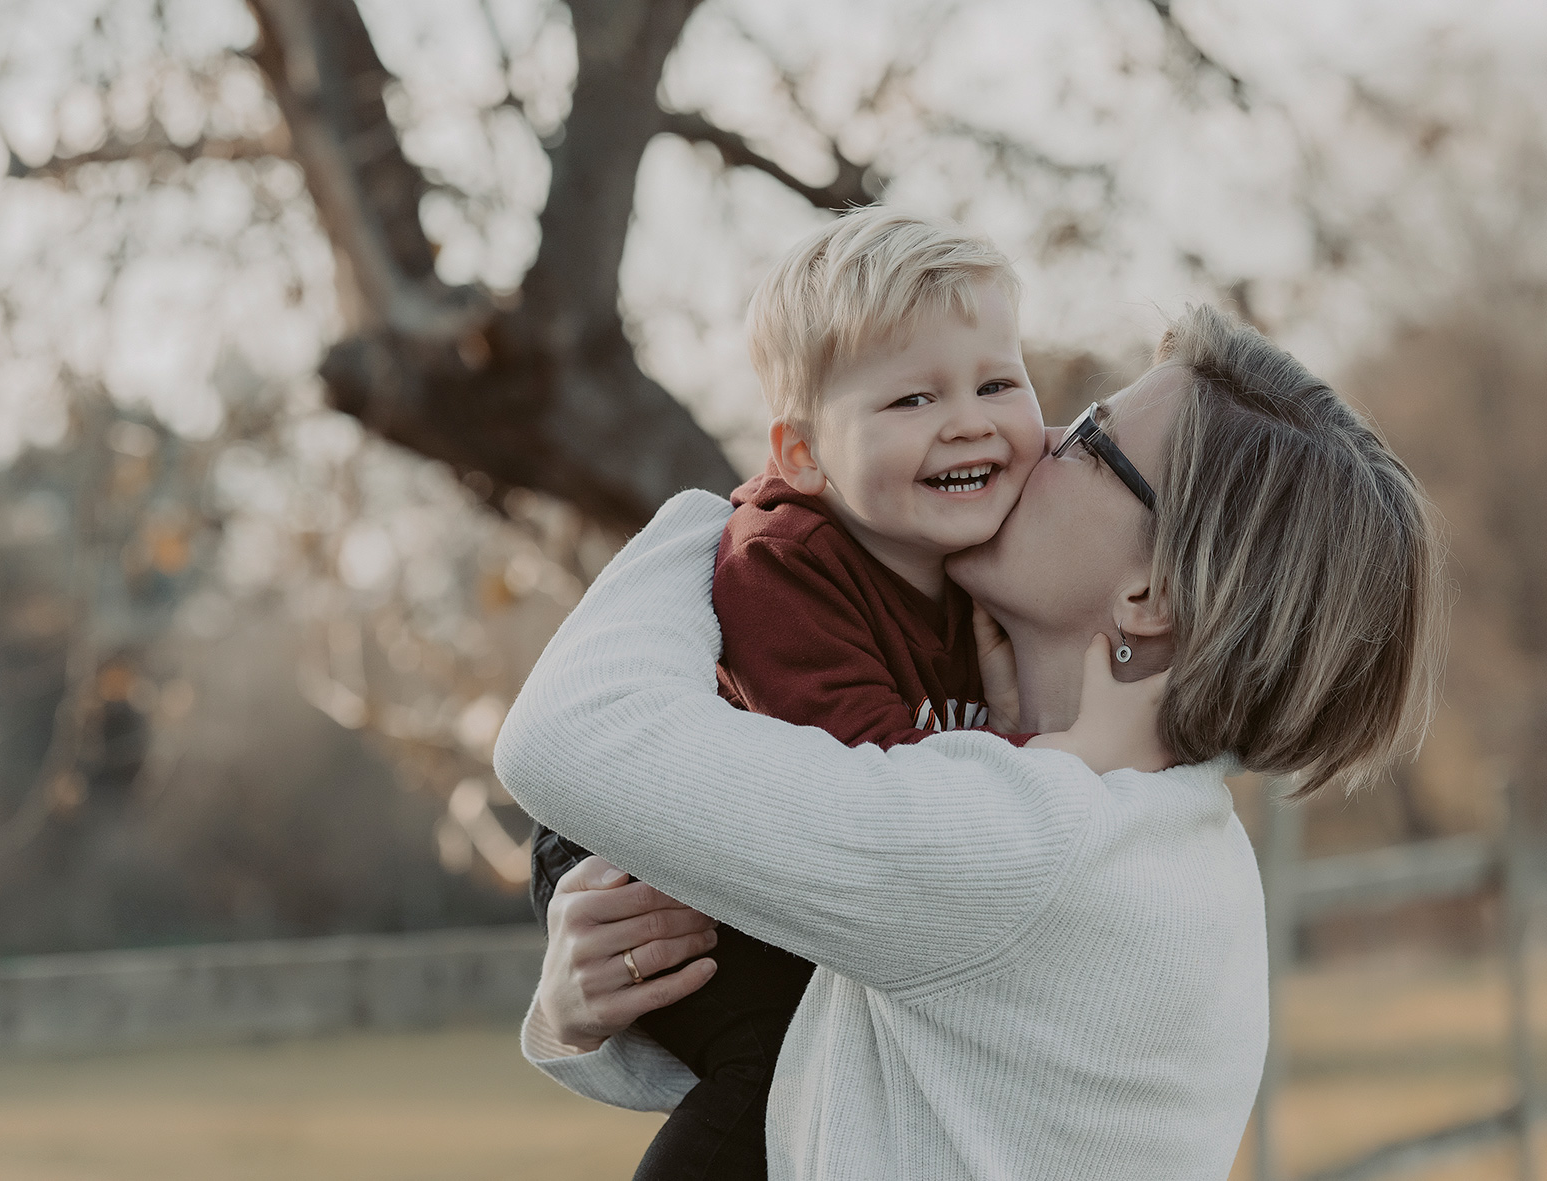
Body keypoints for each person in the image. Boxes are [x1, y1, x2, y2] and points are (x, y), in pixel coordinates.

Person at [496, 304, 1445, 1180]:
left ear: (1150, 597)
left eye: (1092, 441)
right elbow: (835, 1077)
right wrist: (577, 1012)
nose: (1032, 438)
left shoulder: (1030, 851)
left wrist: (732, 514)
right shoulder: (1163, 843)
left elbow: (567, 733)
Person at [527, 209, 1140, 1181]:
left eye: (996, 382)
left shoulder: (973, 540)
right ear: (803, 455)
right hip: (647, 853)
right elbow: (878, 799)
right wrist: (1055, 759)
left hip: (789, 852)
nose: (969, 419)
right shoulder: (787, 562)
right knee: (778, 1059)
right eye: (910, 399)